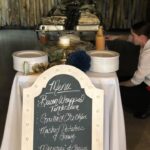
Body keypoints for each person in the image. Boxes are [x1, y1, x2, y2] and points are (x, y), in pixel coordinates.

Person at [120, 21, 150, 119]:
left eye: (133, 35)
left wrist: (119, 84)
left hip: (147, 87)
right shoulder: (146, 41)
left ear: (142, 37)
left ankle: (145, 107)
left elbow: (135, 81)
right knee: (121, 79)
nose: (131, 37)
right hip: (145, 80)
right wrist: (114, 37)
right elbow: (129, 39)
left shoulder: (148, 54)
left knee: (118, 91)